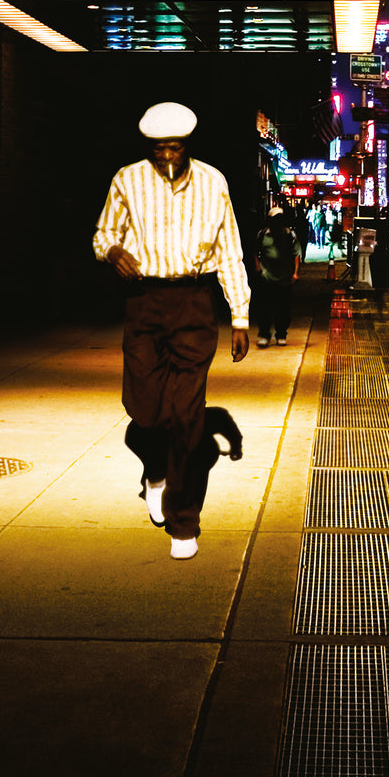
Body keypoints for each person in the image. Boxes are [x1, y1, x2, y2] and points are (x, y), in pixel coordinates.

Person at [93, 101, 250, 561]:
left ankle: (185, 522)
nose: (166, 155)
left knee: (187, 418)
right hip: (144, 304)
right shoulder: (127, 180)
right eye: (158, 148)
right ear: (148, 146)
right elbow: (102, 234)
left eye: (174, 147)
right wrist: (112, 251)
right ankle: (155, 471)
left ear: (187, 145)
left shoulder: (212, 181)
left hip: (194, 303)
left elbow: (229, 250)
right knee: (145, 410)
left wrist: (239, 315)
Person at [252, 206, 302, 347]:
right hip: (267, 276)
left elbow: (296, 253)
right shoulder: (262, 234)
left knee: (283, 308)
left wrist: (296, 272)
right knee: (264, 308)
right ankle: (264, 335)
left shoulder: (289, 234)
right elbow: (255, 250)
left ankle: (281, 334)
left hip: (284, 277)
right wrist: (258, 266)